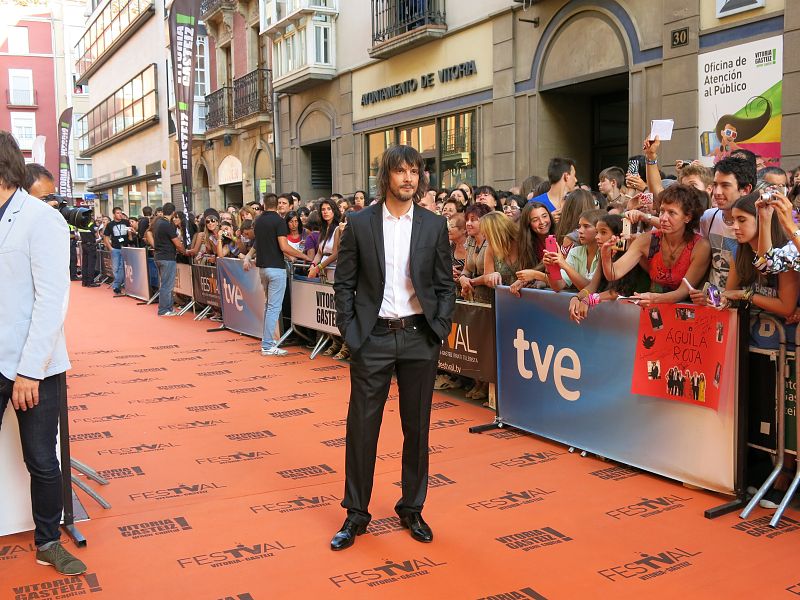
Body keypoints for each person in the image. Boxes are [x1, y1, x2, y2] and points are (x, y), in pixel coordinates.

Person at [331, 145, 454, 551]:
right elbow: (344, 282)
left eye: (414, 172)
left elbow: (444, 284)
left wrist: (438, 327)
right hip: (374, 338)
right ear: (386, 176)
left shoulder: (434, 226)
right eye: (400, 171)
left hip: (420, 336)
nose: (408, 178)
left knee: (417, 428)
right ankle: (356, 514)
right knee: (362, 428)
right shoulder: (360, 223)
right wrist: (352, 332)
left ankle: (412, 508)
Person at [0, 131, 87, 575]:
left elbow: (51, 300)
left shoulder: (40, 219)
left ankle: (49, 540)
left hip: (33, 364)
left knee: (41, 458)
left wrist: (30, 371)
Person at [601, 185, 710, 305]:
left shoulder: (700, 246)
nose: (663, 218)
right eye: (662, 211)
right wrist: (605, 255)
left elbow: (683, 292)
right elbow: (613, 273)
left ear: (688, 217)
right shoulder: (646, 240)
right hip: (652, 310)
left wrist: (653, 298)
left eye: (672, 213)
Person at [242, 194, 308, 356]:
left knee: (269, 306)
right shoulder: (279, 221)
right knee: (273, 308)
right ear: (276, 205)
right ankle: (267, 345)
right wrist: (304, 256)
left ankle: (267, 342)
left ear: (264, 204)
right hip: (276, 269)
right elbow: (283, 246)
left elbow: (259, 243)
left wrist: (249, 256)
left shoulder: (258, 221)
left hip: (263, 268)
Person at [151, 202, 185, 316]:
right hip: (167, 258)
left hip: (158, 256)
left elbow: (149, 234)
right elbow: (178, 243)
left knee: (165, 284)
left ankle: (168, 308)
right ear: (173, 212)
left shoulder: (158, 223)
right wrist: (184, 251)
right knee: (167, 285)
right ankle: (164, 309)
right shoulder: (167, 225)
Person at [527, 157, 578, 222]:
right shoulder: (534, 203)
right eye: (574, 175)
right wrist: (548, 221)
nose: (576, 180)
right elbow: (526, 229)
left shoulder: (575, 203)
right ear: (566, 176)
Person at [103, 206, 134, 294]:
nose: (120, 215)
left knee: (121, 268)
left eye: (120, 213)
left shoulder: (126, 222)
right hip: (115, 248)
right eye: (118, 213)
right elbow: (106, 237)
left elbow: (130, 233)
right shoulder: (110, 225)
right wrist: (110, 248)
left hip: (125, 247)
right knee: (115, 268)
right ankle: (118, 284)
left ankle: (116, 286)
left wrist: (130, 235)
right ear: (113, 215)